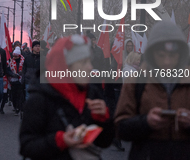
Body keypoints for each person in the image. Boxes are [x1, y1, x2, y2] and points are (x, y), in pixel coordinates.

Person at [20, 35, 114, 159]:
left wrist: (103, 119)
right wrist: (60, 140)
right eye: (83, 62)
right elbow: (27, 146)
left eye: (89, 61)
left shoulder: (92, 93)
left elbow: (104, 142)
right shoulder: (40, 97)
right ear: (65, 66)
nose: (90, 67)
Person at [115, 21, 190, 160]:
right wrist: (146, 122)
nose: (167, 62)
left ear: (181, 55)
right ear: (152, 54)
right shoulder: (136, 81)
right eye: (161, 55)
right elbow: (120, 127)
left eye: (172, 56)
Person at [7, 46, 24, 116]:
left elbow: (25, 69)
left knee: (20, 95)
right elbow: (7, 70)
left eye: (17, 56)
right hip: (13, 80)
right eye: (14, 56)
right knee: (14, 95)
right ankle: (15, 106)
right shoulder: (10, 61)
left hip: (21, 80)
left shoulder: (24, 61)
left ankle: (18, 108)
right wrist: (12, 74)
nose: (15, 57)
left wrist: (21, 73)